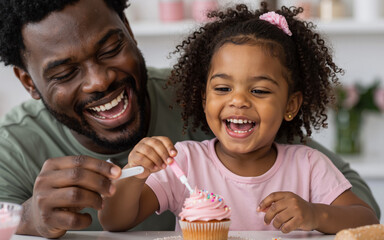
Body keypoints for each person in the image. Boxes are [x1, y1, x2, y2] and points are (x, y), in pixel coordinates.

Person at [0, 0, 379, 238]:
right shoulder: (6, 151)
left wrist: (315, 214)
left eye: (110, 48)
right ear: (28, 82)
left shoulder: (296, 158)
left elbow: (363, 212)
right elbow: (118, 218)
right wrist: (23, 219)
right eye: (64, 73)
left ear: (129, 29)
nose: (99, 81)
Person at [98, 4, 379, 234]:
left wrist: (315, 214)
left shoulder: (308, 166)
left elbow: (367, 220)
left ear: (290, 105)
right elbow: (115, 221)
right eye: (222, 88)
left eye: (258, 90)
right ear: (205, 99)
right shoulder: (183, 162)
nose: (238, 101)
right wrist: (136, 173)